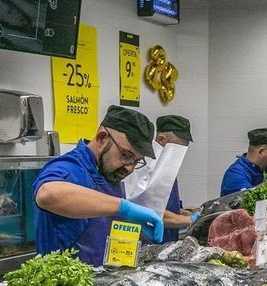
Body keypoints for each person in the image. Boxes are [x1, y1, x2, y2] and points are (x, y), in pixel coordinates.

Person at [33, 106, 176, 266]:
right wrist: (125, 208)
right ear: (102, 138)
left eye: (136, 161)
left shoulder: (108, 172)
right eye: (126, 155)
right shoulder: (71, 168)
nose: (130, 168)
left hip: (106, 281)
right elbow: (47, 194)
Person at [125, 114, 194, 243]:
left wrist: (187, 213)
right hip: (146, 244)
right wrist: (189, 220)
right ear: (161, 139)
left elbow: (168, 204)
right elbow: (149, 211)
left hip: (167, 240)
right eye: (179, 148)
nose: (181, 154)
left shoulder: (167, 168)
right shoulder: (144, 167)